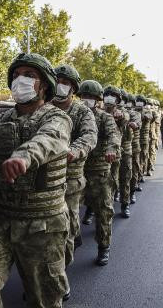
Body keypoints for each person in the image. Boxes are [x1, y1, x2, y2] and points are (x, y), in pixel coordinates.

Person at [0, 53, 72, 307]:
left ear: (44, 85)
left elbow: (50, 139)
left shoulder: (57, 118)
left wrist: (24, 157)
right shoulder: (1, 119)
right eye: (16, 75)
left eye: (29, 75)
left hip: (42, 225)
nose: (20, 80)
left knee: (43, 299)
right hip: (0, 220)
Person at [51, 64, 97, 267]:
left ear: (73, 89)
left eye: (65, 83)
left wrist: (75, 150)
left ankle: (59, 276)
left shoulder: (82, 112)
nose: (60, 85)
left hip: (71, 179)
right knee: (49, 231)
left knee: (67, 228)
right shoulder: (44, 108)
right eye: (57, 81)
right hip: (46, 180)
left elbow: (89, 135)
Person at [78, 80, 119, 266]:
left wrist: (111, 149)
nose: (87, 100)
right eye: (84, 96)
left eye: (91, 97)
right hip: (76, 171)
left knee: (104, 211)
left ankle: (104, 247)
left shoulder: (104, 118)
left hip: (100, 171)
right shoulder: (74, 115)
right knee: (65, 213)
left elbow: (113, 135)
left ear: (98, 99)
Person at [118, 91, 141, 218]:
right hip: (111, 150)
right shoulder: (107, 112)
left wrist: (133, 124)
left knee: (127, 175)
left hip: (128, 148)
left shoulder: (133, 114)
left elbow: (137, 123)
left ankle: (126, 202)